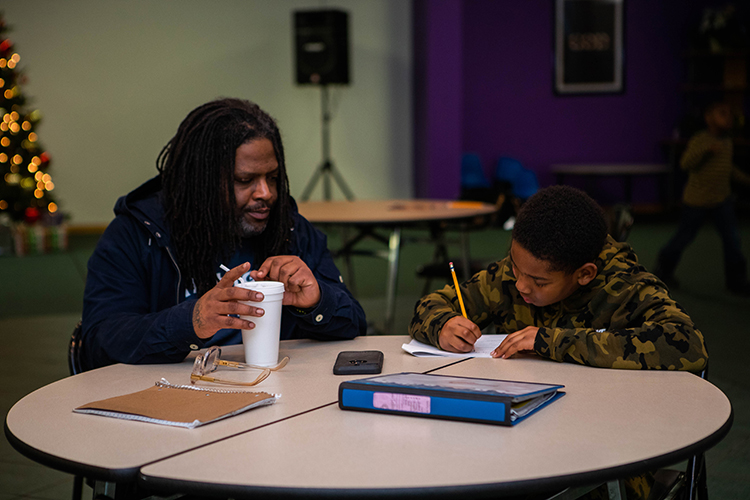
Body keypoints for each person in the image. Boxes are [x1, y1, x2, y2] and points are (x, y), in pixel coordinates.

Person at [409, 185, 708, 499]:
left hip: (605, 449)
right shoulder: (519, 272)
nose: (520, 284)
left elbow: (686, 343)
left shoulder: (625, 287)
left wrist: (553, 342)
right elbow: (430, 305)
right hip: (521, 435)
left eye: (539, 282)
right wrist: (441, 324)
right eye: (514, 266)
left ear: (584, 274)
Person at [80, 98, 367, 370]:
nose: (266, 193)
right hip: (172, 401)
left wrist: (318, 301)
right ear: (200, 182)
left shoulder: (291, 229)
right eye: (245, 180)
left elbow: (354, 324)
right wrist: (191, 321)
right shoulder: (136, 233)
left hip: (276, 395)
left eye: (273, 178)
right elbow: (99, 345)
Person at [655, 100, 750, 295]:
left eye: (729, 115)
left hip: (721, 200)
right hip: (697, 201)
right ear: (709, 118)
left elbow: (728, 168)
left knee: (732, 240)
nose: (728, 118)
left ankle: (736, 281)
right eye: (722, 113)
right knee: (683, 237)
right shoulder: (701, 139)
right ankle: (662, 271)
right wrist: (706, 151)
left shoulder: (727, 141)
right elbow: (685, 163)